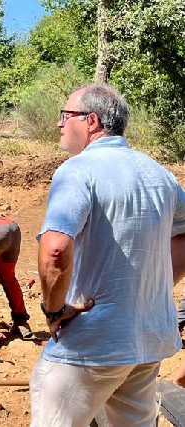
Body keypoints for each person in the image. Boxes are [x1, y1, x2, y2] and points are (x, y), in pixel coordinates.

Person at [30, 83, 185, 427]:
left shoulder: (78, 170)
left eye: (65, 115)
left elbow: (55, 250)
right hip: (148, 337)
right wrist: (155, 287)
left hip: (93, 340)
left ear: (92, 121)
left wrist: (53, 310)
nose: (59, 124)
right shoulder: (161, 176)